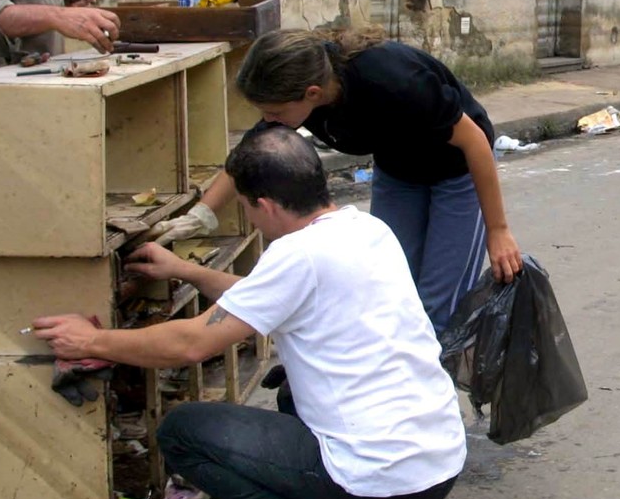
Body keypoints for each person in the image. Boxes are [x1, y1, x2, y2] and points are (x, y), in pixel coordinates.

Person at [33, 126, 466, 499]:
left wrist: (91, 340)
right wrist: (183, 271)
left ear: (264, 204)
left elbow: (190, 345)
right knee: (288, 388)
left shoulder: (296, 254)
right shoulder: (365, 228)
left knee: (183, 432)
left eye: (243, 206)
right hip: (438, 468)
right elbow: (261, 300)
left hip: (377, 479)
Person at [151, 29, 522, 335]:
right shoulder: (302, 93)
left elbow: (474, 141)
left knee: (439, 305)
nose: (269, 119)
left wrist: (498, 230)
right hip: (399, 171)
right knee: (388, 290)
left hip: (456, 171)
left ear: (311, 94)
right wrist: (201, 214)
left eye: (274, 112)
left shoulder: (391, 80)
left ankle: (430, 411)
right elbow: (251, 152)